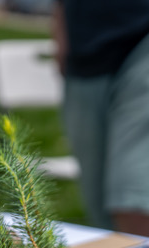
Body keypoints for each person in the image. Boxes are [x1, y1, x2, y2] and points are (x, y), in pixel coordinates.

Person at [52, 0, 149, 235]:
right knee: (98, 203)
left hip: (142, 41)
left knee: (134, 198)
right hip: (85, 51)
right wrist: (61, 27)